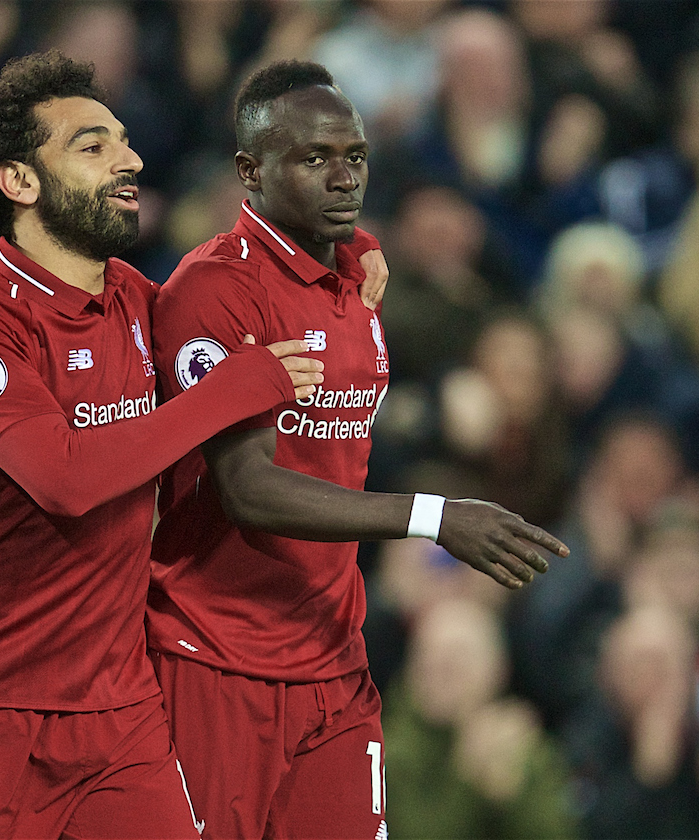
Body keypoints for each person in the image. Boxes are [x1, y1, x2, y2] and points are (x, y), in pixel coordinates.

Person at [0, 50, 365, 840]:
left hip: (118, 714)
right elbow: (65, 478)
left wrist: (345, 246)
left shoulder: (140, 302)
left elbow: (244, 274)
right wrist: (231, 392)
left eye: (125, 142)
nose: (130, 160)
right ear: (20, 182)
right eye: (92, 146)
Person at [148, 60, 569, 840]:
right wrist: (435, 517)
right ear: (251, 171)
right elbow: (247, 488)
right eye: (314, 159)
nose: (344, 178)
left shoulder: (358, 282)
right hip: (216, 658)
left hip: (332, 661)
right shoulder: (212, 292)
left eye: (356, 156)